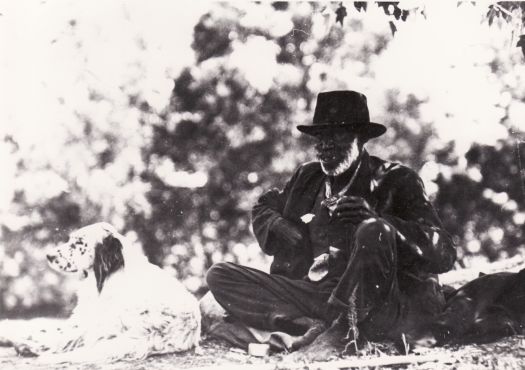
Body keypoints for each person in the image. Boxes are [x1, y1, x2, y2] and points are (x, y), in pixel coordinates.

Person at [205, 90, 456, 352]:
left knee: (374, 230)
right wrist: (279, 225)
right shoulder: (308, 177)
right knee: (220, 275)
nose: (325, 146)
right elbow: (264, 205)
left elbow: (445, 252)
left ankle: (341, 327)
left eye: (337, 135)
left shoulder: (397, 180)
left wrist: (379, 220)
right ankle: (308, 324)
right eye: (320, 137)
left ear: (360, 139)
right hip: (315, 296)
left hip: (378, 301)